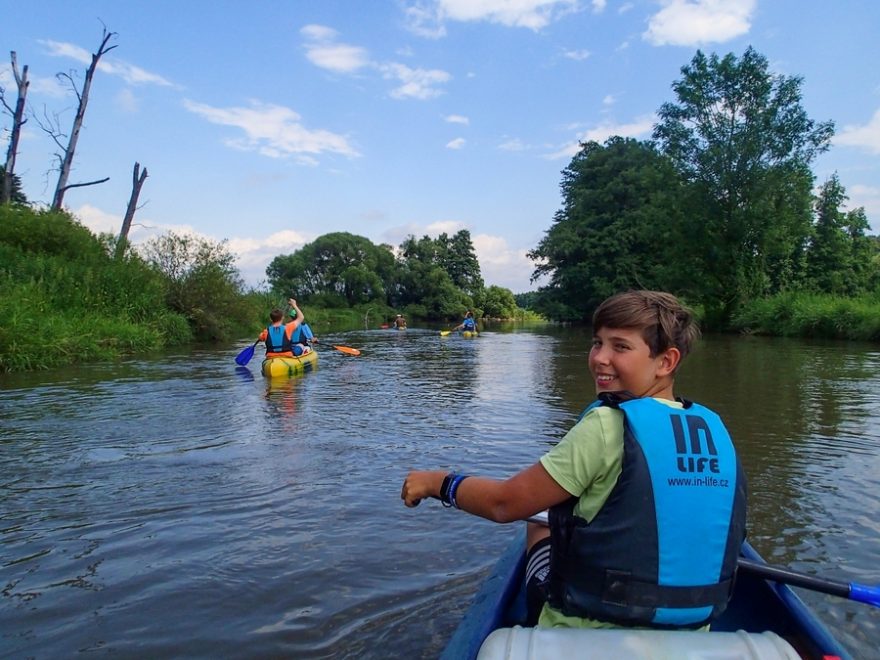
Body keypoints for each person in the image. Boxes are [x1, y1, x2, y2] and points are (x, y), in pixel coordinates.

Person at [402, 290, 747, 630]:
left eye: (620, 347)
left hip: (587, 627)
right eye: (598, 342)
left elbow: (503, 504)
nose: (599, 358)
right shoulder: (714, 428)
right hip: (695, 625)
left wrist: (437, 483)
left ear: (666, 362)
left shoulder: (607, 425)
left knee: (541, 522)